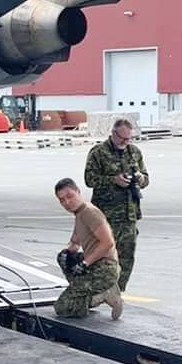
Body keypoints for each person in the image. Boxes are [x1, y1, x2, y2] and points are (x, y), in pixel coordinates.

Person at [83, 116, 149, 291]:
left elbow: (146, 178)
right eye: (122, 138)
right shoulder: (98, 152)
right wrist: (113, 180)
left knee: (126, 256)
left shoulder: (134, 152)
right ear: (113, 134)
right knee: (102, 256)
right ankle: (96, 290)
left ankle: (117, 291)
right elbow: (89, 179)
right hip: (105, 216)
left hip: (129, 215)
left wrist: (141, 179)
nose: (125, 142)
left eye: (129, 138)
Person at [51, 178, 125, 321]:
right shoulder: (80, 214)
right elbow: (74, 242)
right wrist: (67, 253)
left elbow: (108, 243)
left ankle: (104, 295)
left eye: (70, 196)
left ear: (78, 192)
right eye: (62, 200)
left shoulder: (90, 213)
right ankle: (82, 291)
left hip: (105, 268)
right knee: (65, 258)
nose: (66, 202)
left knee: (63, 307)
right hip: (96, 264)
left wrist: (85, 263)